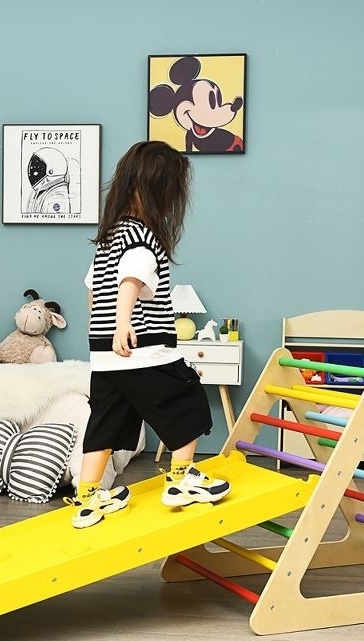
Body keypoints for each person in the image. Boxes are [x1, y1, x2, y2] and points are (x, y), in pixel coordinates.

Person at [66, 140, 231, 529]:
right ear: (162, 194)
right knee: (187, 399)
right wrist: (124, 322)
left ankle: (88, 498)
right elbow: (131, 279)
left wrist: (106, 328)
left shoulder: (108, 238)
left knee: (104, 422)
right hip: (145, 348)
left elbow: (93, 289)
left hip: (106, 354)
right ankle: (182, 479)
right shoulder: (143, 238)